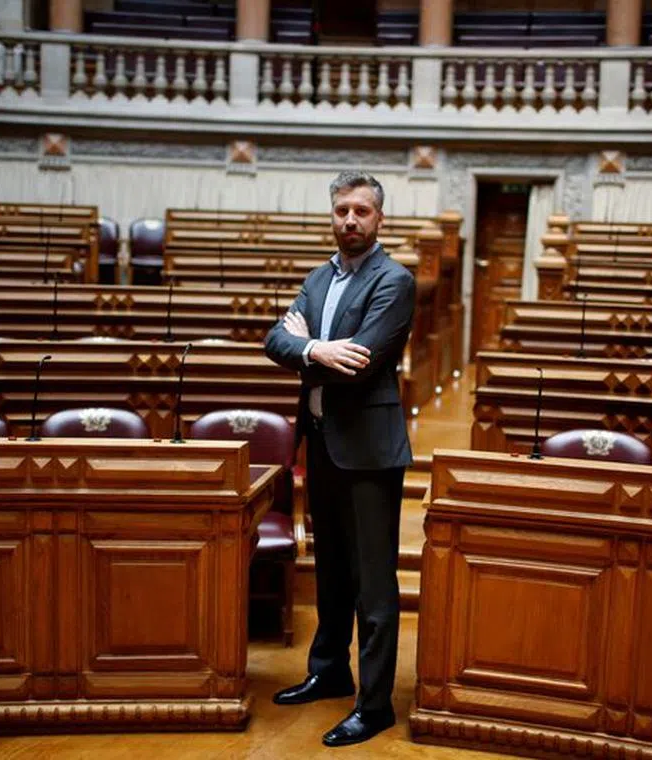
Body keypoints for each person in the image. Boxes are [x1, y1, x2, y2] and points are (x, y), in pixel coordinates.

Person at [263, 171, 415, 747]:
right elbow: (273, 340)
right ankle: (329, 671)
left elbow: (363, 360)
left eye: (361, 211)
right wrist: (312, 347)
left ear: (379, 219)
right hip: (322, 441)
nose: (349, 220)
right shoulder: (318, 277)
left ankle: (374, 704)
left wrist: (306, 348)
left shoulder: (393, 281)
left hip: (370, 450)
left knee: (373, 583)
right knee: (330, 572)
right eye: (341, 211)